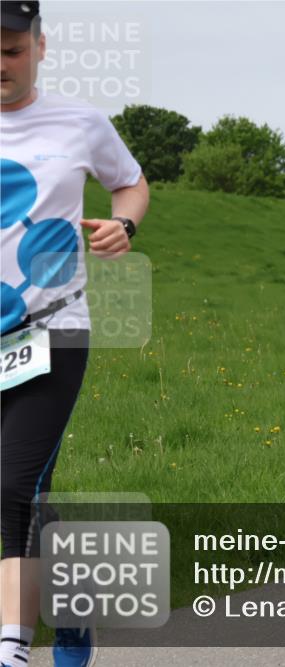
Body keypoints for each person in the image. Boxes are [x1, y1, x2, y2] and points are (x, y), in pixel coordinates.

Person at [1, 1, 149, 664]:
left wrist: (127, 224)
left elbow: (131, 184)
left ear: (40, 46)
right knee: (26, 491)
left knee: (13, 487)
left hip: (51, 331)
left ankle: (12, 647)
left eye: (10, 49)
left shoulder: (81, 122)